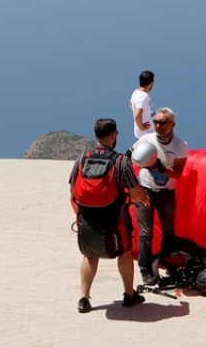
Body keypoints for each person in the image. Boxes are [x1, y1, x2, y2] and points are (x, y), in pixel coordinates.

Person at [69, 118, 150, 313]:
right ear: (114, 135)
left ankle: (84, 298)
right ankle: (129, 294)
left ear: (96, 136)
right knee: (123, 252)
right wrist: (145, 200)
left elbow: (73, 189)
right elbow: (135, 192)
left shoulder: (82, 158)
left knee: (90, 255)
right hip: (114, 218)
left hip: (87, 219)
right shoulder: (121, 161)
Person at [136, 107, 189, 286]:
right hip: (146, 190)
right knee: (145, 233)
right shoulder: (146, 140)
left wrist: (161, 169)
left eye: (162, 122)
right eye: (156, 121)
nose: (158, 125)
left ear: (172, 125)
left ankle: (167, 263)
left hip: (166, 193)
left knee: (169, 231)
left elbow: (178, 173)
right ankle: (145, 270)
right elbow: (133, 158)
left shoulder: (180, 145)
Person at [129, 71, 155, 140]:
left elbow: (130, 103)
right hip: (147, 134)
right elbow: (137, 115)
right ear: (151, 83)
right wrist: (141, 127)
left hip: (142, 134)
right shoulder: (143, 96)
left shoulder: (136, 92)